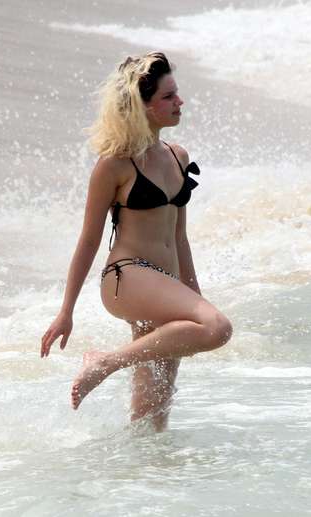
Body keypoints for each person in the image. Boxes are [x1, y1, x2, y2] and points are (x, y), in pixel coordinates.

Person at [40, 51, 232, 431]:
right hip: (127, 277)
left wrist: (194, 292)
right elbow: (89, 240)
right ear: (141, 107)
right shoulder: (114, 165)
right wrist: (66, 310)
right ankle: (104, 362)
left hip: (165, 282)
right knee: (218, 328)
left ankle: (140, 480)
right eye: (168, 97)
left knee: (153, 416)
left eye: (177, 94)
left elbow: (181, 238)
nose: (180, 102)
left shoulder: (178, 156)